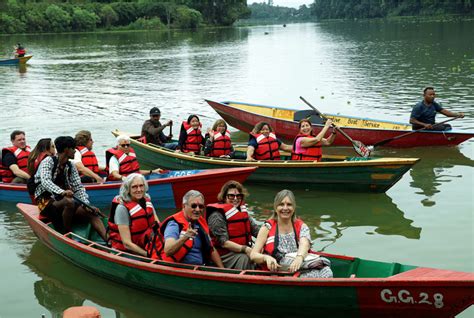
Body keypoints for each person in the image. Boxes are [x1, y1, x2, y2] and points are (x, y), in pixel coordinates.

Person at [32, 136, 107, 241]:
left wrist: (86, 205)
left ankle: (108, 241)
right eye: (73, 148)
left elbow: (78, 187)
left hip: (64, 201)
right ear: (66, 149)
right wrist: (62, 192)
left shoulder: (71, 165)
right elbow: (46, 182)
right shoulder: (48, 161)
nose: (75, 151)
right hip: (46, 202)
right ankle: (67, 234)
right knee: (69, 202)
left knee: (91, 212)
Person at [250, 189, 333, 278]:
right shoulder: (267, 227)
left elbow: (304, 243)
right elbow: (253, 255)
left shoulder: (301, 226)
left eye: (289, 204)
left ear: (294, 207)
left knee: (327, 271)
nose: (285, 208)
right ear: (275, 207)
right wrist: (266, 258)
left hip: (299, 266)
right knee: (310, 276)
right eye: (281, 204)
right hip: (277, 272)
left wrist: (299, 257)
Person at [160, 190, 224, 267]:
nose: (197, 210)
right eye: (193, 206)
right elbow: (168, 250)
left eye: (200, 206)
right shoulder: (174, 225)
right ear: (184, 206)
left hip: (201, 268)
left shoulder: (200, 223)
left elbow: (211, 249)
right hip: (180, 270)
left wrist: (222, 269)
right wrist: (185, 237)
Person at [206, 180, 260, 269]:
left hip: (242, 250)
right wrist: (245, 249)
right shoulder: (216, 215)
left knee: (265, 253)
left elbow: (257, 231)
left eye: (239, 196)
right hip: (224, 254)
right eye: (231, 196)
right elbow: (223, 242)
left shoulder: (242, 213)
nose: (235, 198)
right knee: (246, 258)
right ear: (224, 197)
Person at [108, 173, 163, 257]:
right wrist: (148, 255)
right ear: (128, 189)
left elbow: (157, 225)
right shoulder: (122, 208)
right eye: (134, 187)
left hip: (148, 244)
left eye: (141, 186)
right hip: (130, 251)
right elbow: (127, 244)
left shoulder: (147, 200)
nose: (139, 189)